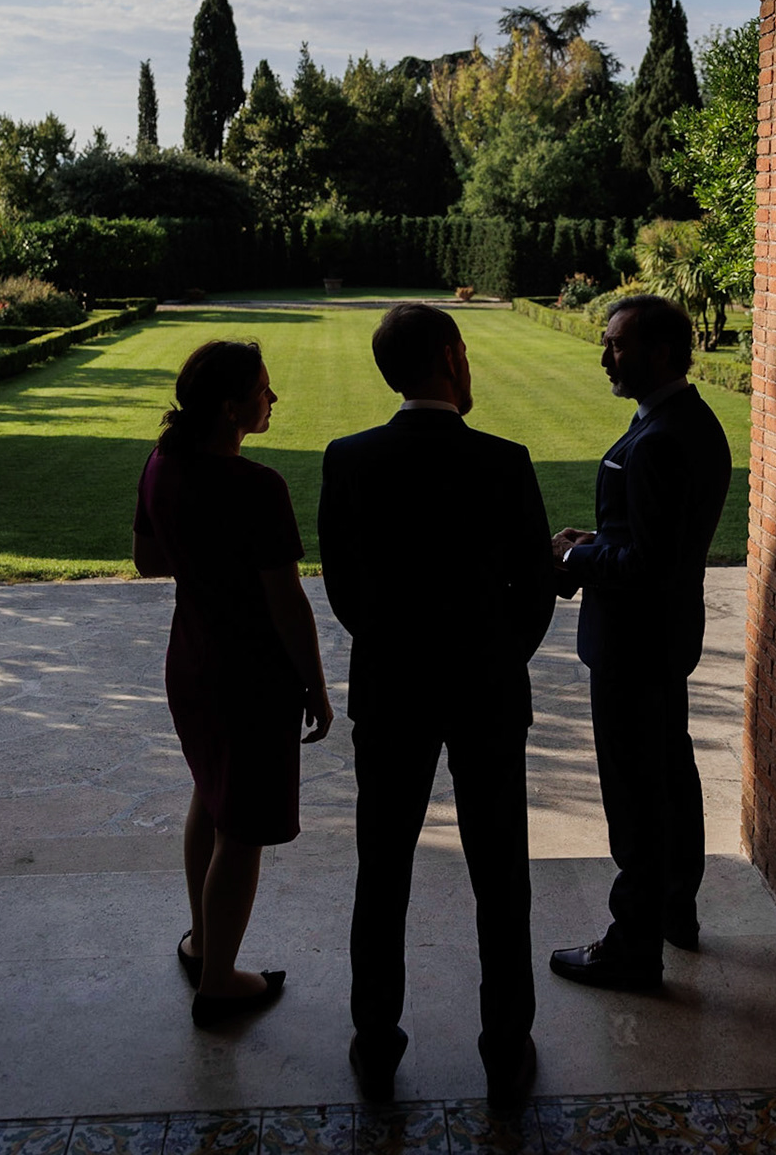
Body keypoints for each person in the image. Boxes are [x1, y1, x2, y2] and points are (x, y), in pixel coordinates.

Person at [319, 303, 556, 1106]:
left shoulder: (348, 460)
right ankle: (505, 1046)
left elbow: (345, 587)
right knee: (501, 875)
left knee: (382, 871)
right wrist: (495, 655)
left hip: (390, 690)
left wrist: (395, 648)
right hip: (488, 689)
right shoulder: (504, 460)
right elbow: (536, 589)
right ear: (453, 358)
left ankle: (377, 1041)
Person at [132, 339, 334, 1028]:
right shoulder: (257, 488)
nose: (273, 400)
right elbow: (286, 602)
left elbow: (149, 560)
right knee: (242, 824)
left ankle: (201, 942)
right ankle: (220, 982)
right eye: (263, 391)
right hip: (248, 670)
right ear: (230, 407)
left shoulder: (161, 463)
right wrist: (316, 685)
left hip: (190, 657)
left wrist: (203, 558)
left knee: (210, 795)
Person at [548, 294, 732, 990]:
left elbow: (648, 565)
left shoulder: (657, 439)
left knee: (636, 799)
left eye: (617, 346)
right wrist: (599, 542)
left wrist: (569, 560)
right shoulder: (687, 420)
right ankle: (675, 913)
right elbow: (659, 543)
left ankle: (632, 946)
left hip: (633, 645)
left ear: (658, 352)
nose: (604, 357)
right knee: (671, 782)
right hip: (665, 638)